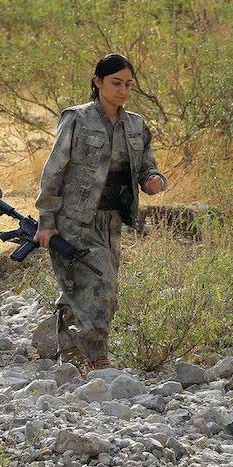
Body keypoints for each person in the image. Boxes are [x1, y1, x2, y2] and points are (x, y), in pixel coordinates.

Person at [34, 53, 167, 372]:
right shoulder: (76, 119)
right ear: (98, 82)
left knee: (82, 286)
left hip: (112, 219)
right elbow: (54, 171)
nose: (123, 90)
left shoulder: (135, 124)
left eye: (128, 84)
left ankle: (71, 354)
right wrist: (46, 221)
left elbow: (146, 166)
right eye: (116, 83)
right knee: (101, 285)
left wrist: (153, 179)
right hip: (75, 219)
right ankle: (97, 357)